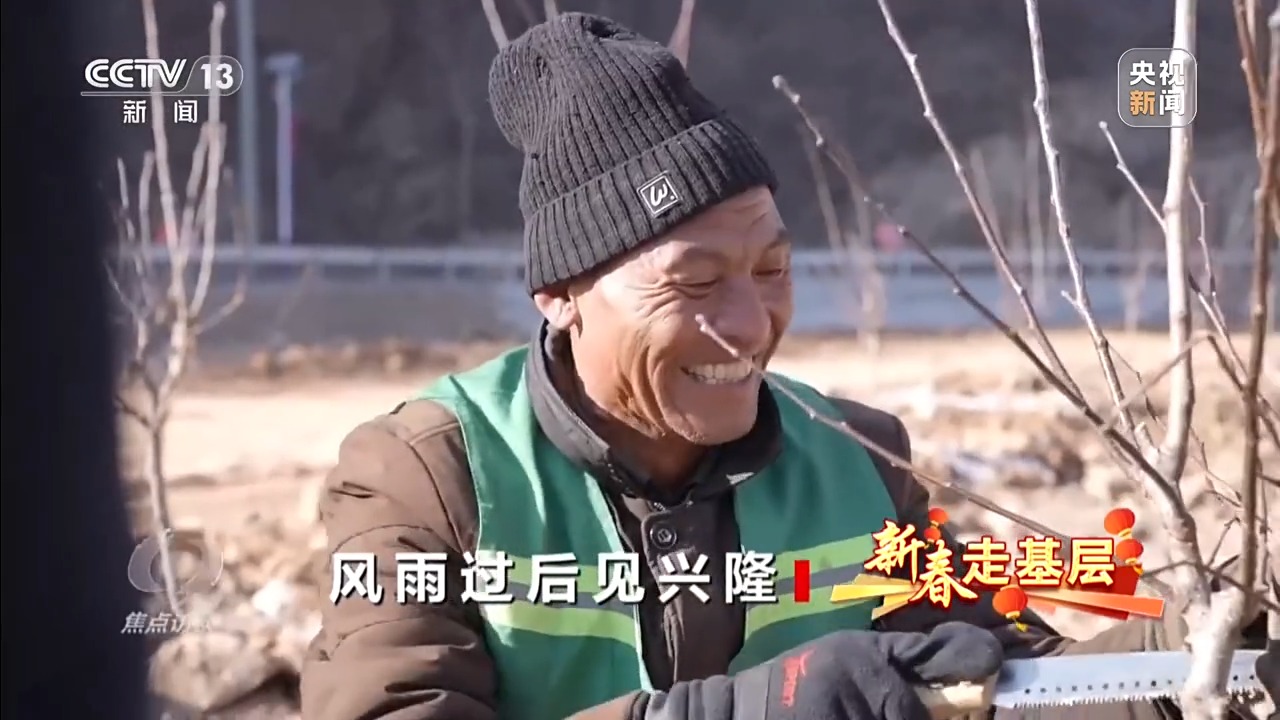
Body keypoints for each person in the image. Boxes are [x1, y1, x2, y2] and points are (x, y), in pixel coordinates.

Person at [301, 13, 1267, 720]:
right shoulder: (424, 478)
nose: (748, 324)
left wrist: (1202, 646)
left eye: (772, 270)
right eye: (694, 282)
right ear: (561, 292)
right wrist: (753, 708)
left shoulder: (858, 462)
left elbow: (1003, 683)